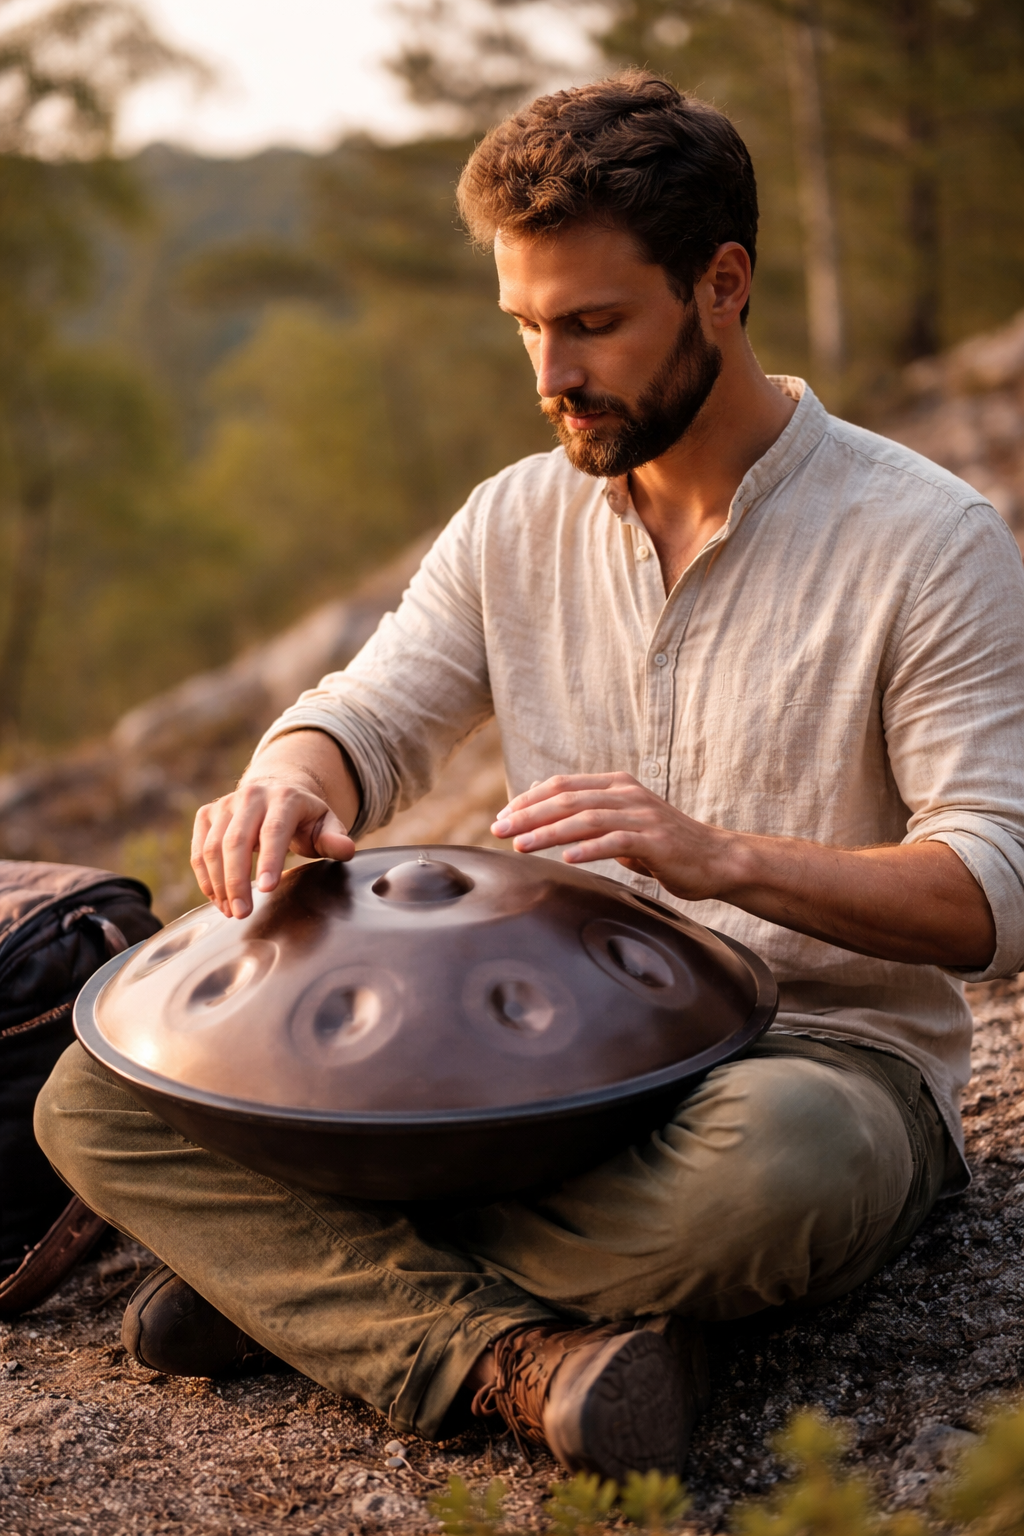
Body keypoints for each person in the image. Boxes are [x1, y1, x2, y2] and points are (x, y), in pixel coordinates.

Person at [36, 71, 1024, 1482]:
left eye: (591, 325)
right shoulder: (514, 519)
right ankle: (511, 1349)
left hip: (814, 1060)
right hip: (552, 1066)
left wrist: (722, 857)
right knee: (94, 1095)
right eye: (524, 325)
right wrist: (289, 778)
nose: (549, 375)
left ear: (723, 285)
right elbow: (367, 713)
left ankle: (313, 1292)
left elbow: (996, 887)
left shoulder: (926, 541)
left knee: (781, 1169)